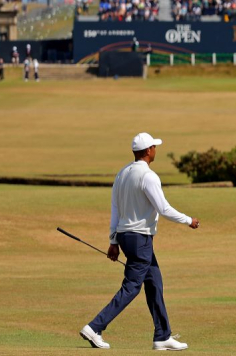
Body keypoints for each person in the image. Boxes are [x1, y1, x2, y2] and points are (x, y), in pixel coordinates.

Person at [80, 133, 199, 351]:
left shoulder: (122, 173)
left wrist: (114, 241)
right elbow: (163, 209)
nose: (156, 149)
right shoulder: (148, 176)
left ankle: (162, 336)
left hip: (126, 237)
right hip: (140, 238)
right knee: (132, 287)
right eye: (154, 146)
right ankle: (95, 327)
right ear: (148, 151)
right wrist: (188, 220)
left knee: (154, 283)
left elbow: (115, 210)